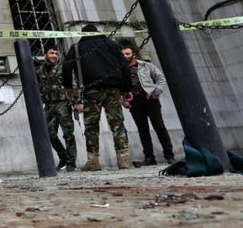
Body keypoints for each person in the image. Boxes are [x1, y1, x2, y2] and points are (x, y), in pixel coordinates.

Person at [62, 25, 132, 171]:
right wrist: (127, 89)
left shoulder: (77, 48)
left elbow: (67, 67)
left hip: (91, 89)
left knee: (91, 126)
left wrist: (68, 87)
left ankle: (93, 161)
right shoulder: (111, 44)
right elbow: (124, 66)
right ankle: (124, 159)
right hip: (113, 88)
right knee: (117, 123)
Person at [120, 43, 175, 165]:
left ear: (133, 53)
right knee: (142, 130)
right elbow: (119, 89)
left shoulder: (146, 65)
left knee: (159, 127)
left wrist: (157, 92)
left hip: (150, 99)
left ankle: (169, 155)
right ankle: (149, 157)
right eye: (122, 54)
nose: (125, 56)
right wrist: (124, 101)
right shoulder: (120, 71)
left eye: (127, 53)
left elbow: (160, 78)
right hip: (134, 103)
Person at [36, 44, 77, 172]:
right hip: (49, 105)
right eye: (51, 53)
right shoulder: (40, 71)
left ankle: (71, 161)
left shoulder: (62, 68)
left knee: (68, 133)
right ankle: (63, 157)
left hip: (63, 104)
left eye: (56, 53)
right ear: (45, 55)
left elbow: (72, 85)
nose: (54, 56)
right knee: (49, 134)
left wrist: (76, 101)